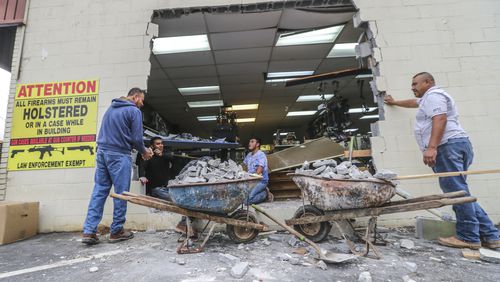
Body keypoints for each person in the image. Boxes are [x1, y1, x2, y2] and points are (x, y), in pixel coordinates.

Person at [384, 72, 500, 250]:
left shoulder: (434, 96)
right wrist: (394, 102)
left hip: (447, 147)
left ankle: (468, 237)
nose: (412, 87)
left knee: (457, 194)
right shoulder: (428, 99)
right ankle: (491, 236)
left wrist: (432, 147)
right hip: (455, 146)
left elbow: (440, 119)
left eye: (416, 84)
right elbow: (414, 103)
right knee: (461, 192)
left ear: (428, 82)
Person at [82, 88, 153, 245]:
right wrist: (144, 152)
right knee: (122, 193)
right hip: (118, 155)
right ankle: (116, 231)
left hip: (101, 153)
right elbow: (136, 137)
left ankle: (89, 231)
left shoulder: (111, 108)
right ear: (135, 97)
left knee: (99, 190)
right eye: (141, 100)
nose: (142, 103)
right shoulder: (133, 111)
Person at [243, 137, 273, 204]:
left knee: (247, 201)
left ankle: (264, 194)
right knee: (241, 198)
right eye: (249, 141)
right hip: (251, 180)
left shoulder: (261, 155)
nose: (249, 143)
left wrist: (253, 179)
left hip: (261, 181)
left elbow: (260, 168)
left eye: (252, 141)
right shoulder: (249, 155)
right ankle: (261, 191)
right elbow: (244, 166)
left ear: (257, 144)